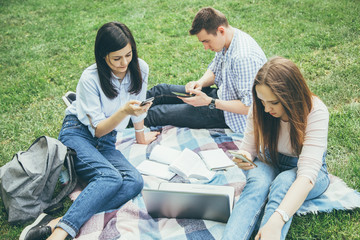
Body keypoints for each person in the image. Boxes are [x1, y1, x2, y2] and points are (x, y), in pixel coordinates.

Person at [19, 22, 159, 240]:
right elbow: (99, 130)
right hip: (78, 133)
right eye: (117, 58)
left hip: (106, 140)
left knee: (134, 181)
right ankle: (60, 233)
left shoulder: (140, 67)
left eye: (128, 54)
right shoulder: (90, 79)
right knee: (110, 177)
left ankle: (58, 220)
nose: (124, 63)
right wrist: (123, 111)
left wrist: (140, 136)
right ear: (104, 56)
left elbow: (138, 106)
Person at [222, 57, 330, 240]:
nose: (266, 109)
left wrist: (277, 220)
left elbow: (307, 176)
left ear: (291, 96)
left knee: (283, 184)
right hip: (271, 159)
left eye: (273, 102)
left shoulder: (316, 112)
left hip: (309, 172)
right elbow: (248, 147)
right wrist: (244, 156)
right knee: (257, 185)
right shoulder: (260, 107)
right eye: (262, 101)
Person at [144, 7, 266, 134]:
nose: (205, 47)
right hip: (221, 96)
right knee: (160, 90)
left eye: (206, 41)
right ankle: (126, 107)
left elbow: (250, 107)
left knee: (157, 114)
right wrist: (200, 83)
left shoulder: (243, 58)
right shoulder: (228, 38)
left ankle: (126, 119)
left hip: (231, 115)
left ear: (221, 31)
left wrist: (210, 102)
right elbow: (215, 68)